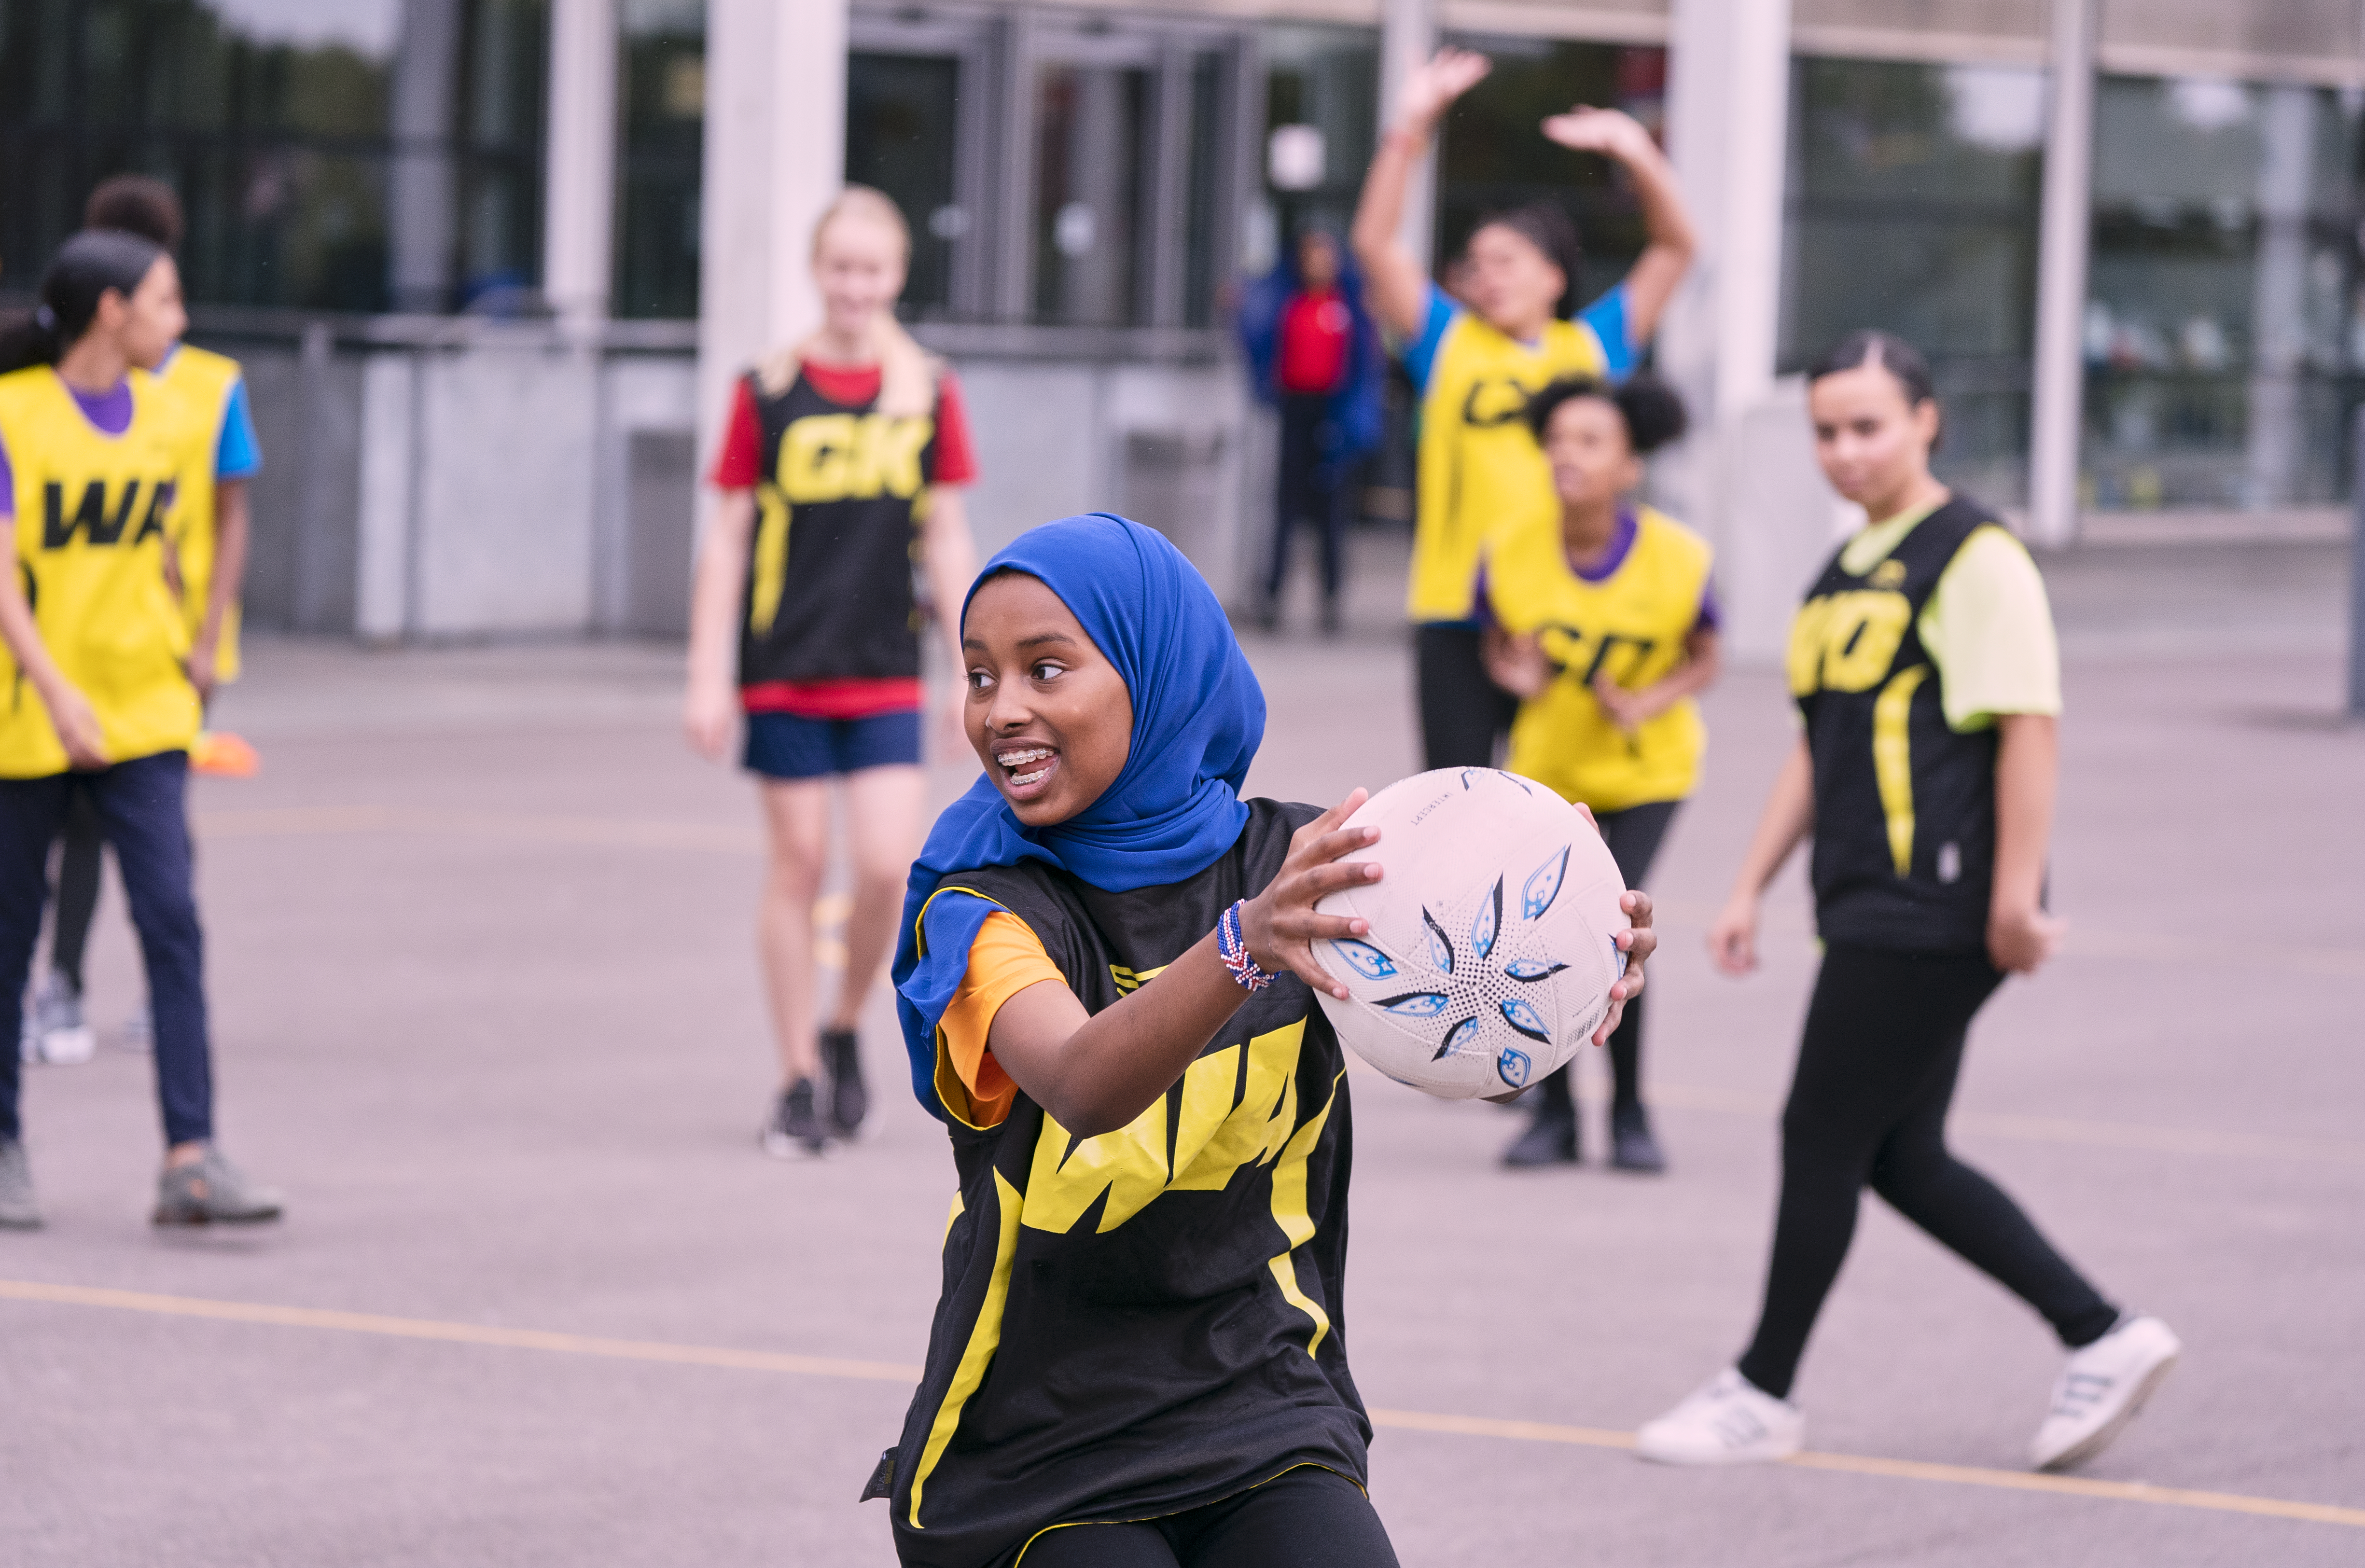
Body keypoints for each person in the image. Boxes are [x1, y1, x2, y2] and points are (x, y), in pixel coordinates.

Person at [872, 513, 1657, 1566]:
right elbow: (1080, 1081)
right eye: (978, 676)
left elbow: (1461, 961)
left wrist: (1572, 948)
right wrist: (1242, 946)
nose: (1002, 708)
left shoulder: (1294, 861)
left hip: (1259, 1397)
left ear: (1158, 677)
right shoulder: (982, 910)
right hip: (1036, 1437)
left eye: (1046, 668)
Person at [1634, 333, 2177, 1473]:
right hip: (1867, 898)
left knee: (1819, 1133)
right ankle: (2100, 1332)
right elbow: (1814, 744)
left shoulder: (1975, 557)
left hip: (1936, 901)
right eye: (1827, 430)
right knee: (1898, 1152)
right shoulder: (1842, 574)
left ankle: (1762, 1390)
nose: (1845, 450)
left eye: (1868, 425)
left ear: (1926, 420)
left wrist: (2014, 901)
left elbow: (2027, 723)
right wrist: (1745, 886)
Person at [0, 229, 282, 1228]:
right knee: (7, 943)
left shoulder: (177, 417)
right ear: (111, 310)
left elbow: (214, 527)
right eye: (165, 302)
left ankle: (191, 1153)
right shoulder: (6, 418)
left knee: (173, 921)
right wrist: (56, 692)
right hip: (27, 716)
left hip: (142, 710)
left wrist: (201, 642)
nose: (176, 323)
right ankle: (5, 1146)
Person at [684, 186, 981, 1158]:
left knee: (889, 864)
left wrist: (974, 669)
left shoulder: (926, 391)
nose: (854, 286)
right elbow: (728, 541)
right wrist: (705, 673)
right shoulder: (766, 390)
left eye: (872, 269)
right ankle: (794, 1075)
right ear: (817, 272)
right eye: (839, 267)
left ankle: (845, 1023)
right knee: (800, 862)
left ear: (895, 277)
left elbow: (943, 534)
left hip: (884, 663)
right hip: (785, 665)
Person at [1351, 47, 1697, 773]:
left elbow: (1675, 246)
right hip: (1454, 608)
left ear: (1554, 274)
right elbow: (1375, 243)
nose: (1488, 275)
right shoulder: (1448, 342)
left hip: (1558, 611)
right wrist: (1410, 126)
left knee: (1553, 803)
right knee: (1457, 797)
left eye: (1507, 259)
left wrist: (1636, 150)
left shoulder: (1592, 347)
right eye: (1477, 263)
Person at [17, 175, 264, 1068]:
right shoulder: (38, 397)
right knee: (75, 820)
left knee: (149, 813)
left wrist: (204, 636)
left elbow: (231, 512)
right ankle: (67, 983)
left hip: (165, 647)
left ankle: (150, 984)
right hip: (66, 642)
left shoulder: (204, 388)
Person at [1482, 374, 1716, 1173]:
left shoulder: (1679, 558)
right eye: (1557, 440)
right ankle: (1552, 1111)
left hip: (1649, 768)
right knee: (1546, 933)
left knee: (1613, 928)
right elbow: (1501, 649)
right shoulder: (1512, 549)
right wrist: (1517, 678)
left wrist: (1649, 699)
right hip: (1552, 772)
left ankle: (1628, 1112)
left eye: (1590, 441)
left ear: (1630, 465)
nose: (1565, 455)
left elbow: (1705, 657)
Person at [1235, 228, 1383, 633]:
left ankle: (1331, 601)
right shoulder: (1287, 302)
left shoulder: (1349, 306)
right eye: (1310, 255)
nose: (1318, 263)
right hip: (1294, 409)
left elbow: (1364, 366)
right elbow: (1258, 342)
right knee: (1284, 509)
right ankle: (1273, 597)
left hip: (1333, 412)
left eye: (1325, 254)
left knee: (1331, 513)